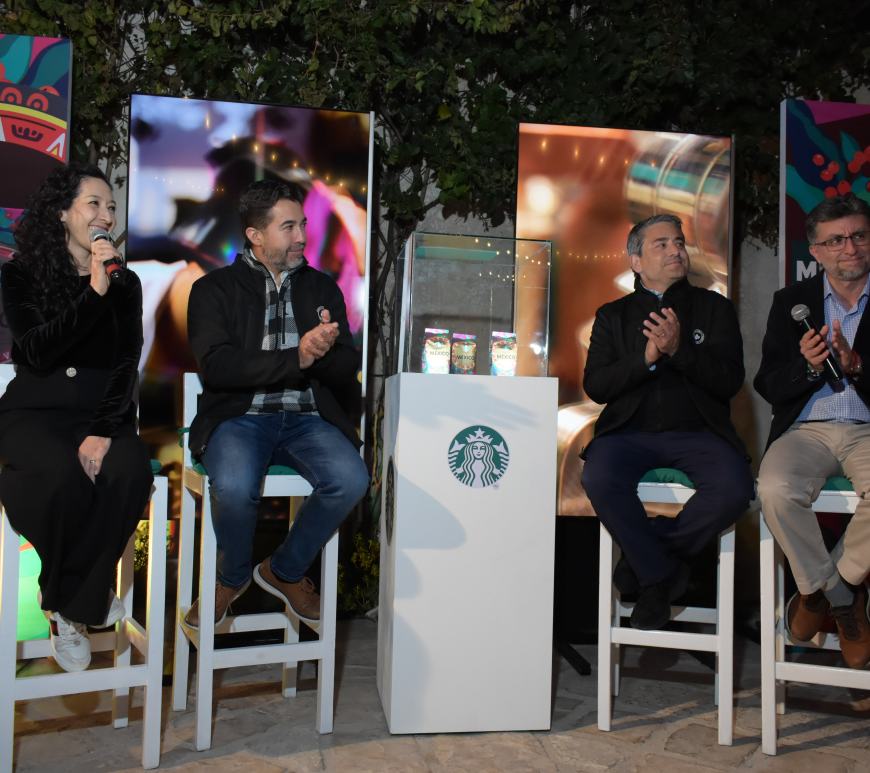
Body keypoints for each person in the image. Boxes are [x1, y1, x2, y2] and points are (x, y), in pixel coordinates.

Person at [184, 179, 368, 628]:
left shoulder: (322, 288)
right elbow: (218, 367)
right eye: (288, 227)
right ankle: (231, 578)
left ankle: (283, 570)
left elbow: (347, 364)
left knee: (351, 480)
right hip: (239, 417)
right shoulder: (212, 289)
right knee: (233, 485)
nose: (302, 236)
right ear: (255, 234)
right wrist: (297, 357)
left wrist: (322, 353)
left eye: (302, 224)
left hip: (308, 418)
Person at [0, 163, 153, 672]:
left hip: (100, 413)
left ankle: (66, 602)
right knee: (58, 476)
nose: (105, 215)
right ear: (62, 213)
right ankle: (81, 597)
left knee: (129, 471)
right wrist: (93, 295)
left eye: (111, 206)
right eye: (94, 204)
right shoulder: (21, 273)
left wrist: (103, 431)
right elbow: (36, 351)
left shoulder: (125, 282)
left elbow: (125, 363)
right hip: (35, 412)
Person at [581, 213, 753, 630]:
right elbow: (597, 386)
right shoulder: (612, 315)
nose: (676, 250)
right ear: (636, 261)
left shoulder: (714, 308)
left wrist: (679, 350)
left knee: (734, 488)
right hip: (628, 433)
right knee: (598, 476)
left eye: (678, 242)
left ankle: (647, 565)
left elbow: (729, 380)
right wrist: (645, 359)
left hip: (699, 432)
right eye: (661, 244)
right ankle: (663, 574)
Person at [755, 193, 870, 669]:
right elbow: (767, 384)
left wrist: (857, 366)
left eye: (859, 235)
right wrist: (808, 367)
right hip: (806, 429)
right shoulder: (791, 303)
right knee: (774, 488)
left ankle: (821, 593)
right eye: (836, 240)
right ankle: (844, 600)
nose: (851, 248)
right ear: (817, 251)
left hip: (867, 429)